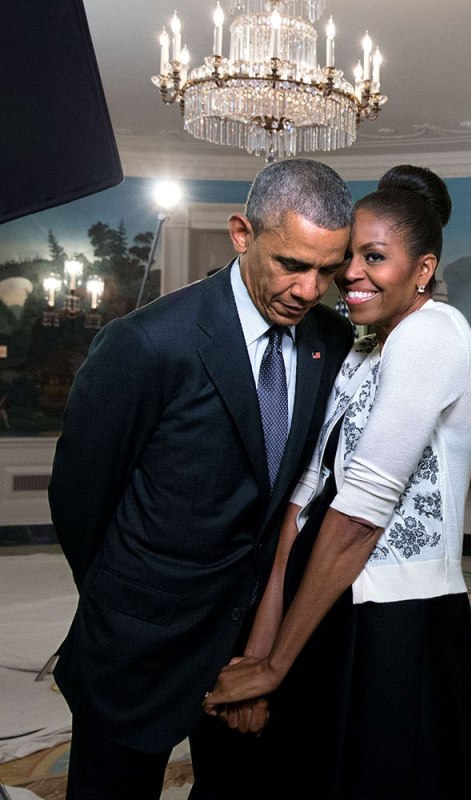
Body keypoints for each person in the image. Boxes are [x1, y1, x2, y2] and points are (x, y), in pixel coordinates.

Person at [48, 158, 355, 800]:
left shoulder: (329, 339)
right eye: (291, 264)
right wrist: (128, 602)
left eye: (328, 271)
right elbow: (80, 499)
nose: (308, 289)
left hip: (250, 648)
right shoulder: (147, 343)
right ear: (243, 234)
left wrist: (264, 644)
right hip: (136, 646)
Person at [204, 165, 471, 798]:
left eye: (375, 257)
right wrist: (263, 650)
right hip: (326, 600)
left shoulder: (434, 333)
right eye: (348, 257)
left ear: (423, 269)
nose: (351, 273)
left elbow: (360, 515)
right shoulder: (363, 348)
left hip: (398, 620)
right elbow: (301, 504)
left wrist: (275, 664)